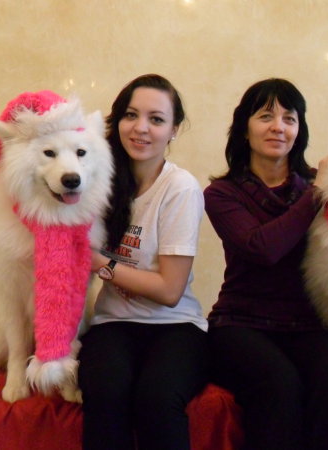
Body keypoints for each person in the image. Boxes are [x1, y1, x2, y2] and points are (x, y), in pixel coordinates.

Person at [204, 78, 328, 450]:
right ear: (244, 128)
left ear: (298, 131)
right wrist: (318, 193)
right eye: (265, 116)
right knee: (279, 385)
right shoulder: (222, 194)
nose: (278, 127)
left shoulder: (319, 186)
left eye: (289, 119)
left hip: (310, 323)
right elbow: (263, 248)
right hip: (240, 324)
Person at [78, 74, 209, 450]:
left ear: (173, 130)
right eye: (131, 115)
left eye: (156, 119)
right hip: (112, 324)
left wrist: (100, 263)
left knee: (157, 399)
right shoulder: (97, 183)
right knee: (105, 393)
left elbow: (169, 290)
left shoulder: (180, 188)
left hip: (176, 327)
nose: (141, 128)